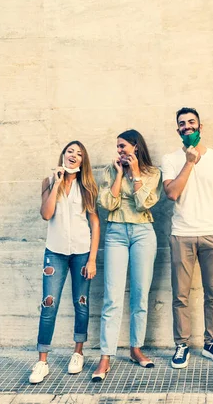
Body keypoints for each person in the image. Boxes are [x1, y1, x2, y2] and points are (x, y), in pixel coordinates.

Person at [161, 107, 213, 369]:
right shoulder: (170, 159)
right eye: (182, 124)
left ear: (200, 127)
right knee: (180, 295)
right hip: (182, 234)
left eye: (192, 122)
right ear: (178, 130)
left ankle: (211, 342)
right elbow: (171, 193)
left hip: (212, 234)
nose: (187, 126)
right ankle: (182, 345)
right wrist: (189, 161)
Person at [92, 130, 162, 381]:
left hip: (144, 232)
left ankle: (135, 348)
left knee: (140, 295)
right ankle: (106, 356)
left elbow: (145, 203)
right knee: (112, 297)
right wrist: (120, 174)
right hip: (116, 233)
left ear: (135, 146)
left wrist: (134, 175)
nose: (119, 151)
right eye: (118, 147)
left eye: (123, 146)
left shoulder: (154, 173)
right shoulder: (110, 171)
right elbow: (107, 205)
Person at [29, 141, 100, 384]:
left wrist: (92, 258)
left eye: (79, 154)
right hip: (55, 253)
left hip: (81, 252)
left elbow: (95, 223)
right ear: (63, 155)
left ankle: (78, 353)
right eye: (70, 151)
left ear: (83, 161)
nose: (74, 156)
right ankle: (42, 362)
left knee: (81, 303)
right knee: (49, 305)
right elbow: (46, 214)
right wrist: (57, 182)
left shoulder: (88, 186)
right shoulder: (49, 182)